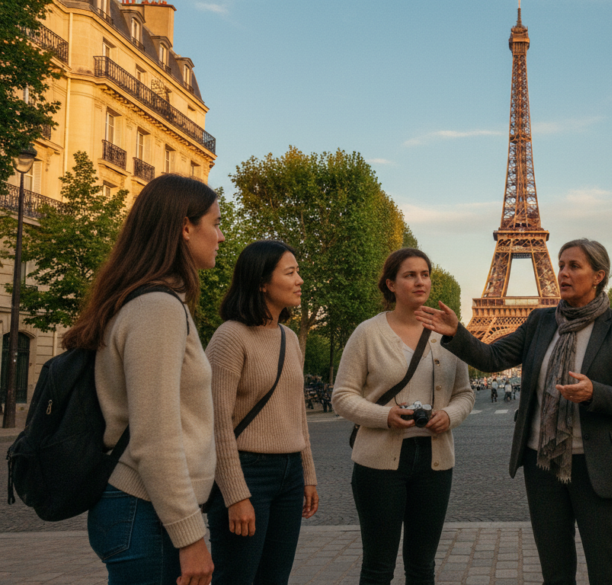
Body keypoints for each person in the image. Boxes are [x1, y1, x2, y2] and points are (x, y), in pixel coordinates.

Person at [417, 238, 612, 585]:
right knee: (554, 569)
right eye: (561, 264)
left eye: (575, 266)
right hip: (543, 463)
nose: (563, 273)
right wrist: (457, 333)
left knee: (606, 568)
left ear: (598, 275)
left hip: (597, 464)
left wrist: (593, 393)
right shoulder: (541, 321)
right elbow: (493, 357)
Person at [65, 174, 223, 584]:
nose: (221, 236)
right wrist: (190, 538)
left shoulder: (145, 300)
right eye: (215, 223)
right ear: (186, 228)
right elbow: (155, 435)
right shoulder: (158, 307)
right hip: (145, 511)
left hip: (140, 510)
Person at [333, 248, 476, 584]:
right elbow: (342, 396)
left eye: (425, 274)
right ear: (391, 285)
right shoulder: (367, 333)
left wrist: (449, 416)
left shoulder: (449, 332)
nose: (420, 281)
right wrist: (385, 416)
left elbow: (465, 393)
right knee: (378, 567)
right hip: (378, 464)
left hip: (435, 461)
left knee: (423, 567)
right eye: (410, 275)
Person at [205, 240, 320, 584]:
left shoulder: (289, 337)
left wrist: (308, 473)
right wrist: (235, 494)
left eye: (298, 271)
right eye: (290, 272)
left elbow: (296, 410)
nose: (300, 279)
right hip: (247, 473)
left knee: (275, 578)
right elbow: (217, 423)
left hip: (289, 474)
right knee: (237, 577)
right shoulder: (230, 337)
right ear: (261, 282)